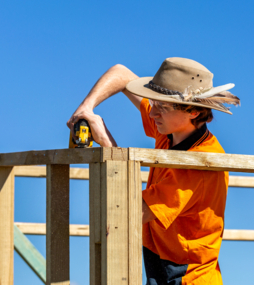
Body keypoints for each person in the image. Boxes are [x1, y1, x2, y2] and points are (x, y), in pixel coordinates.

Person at [67, 57, 239, 284]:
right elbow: (121, 73)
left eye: (163, 107)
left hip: (187, 275)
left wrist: (108, 146)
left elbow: (128, 214)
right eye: (153, 102)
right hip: (163, 262)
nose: (152, 113)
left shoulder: (199, 164)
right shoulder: (171, 131)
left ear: (194, 112)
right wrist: (86, 107)